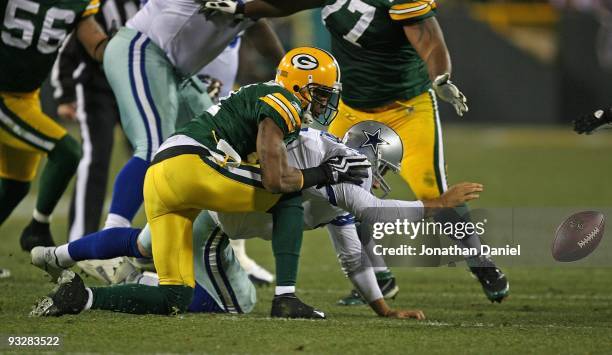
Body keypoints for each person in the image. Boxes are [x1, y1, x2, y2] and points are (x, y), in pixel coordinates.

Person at [202, 0, 509, 303]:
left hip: (407, 107)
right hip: (349, 107)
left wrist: (440, 75)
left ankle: (480, 261)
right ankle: (378, 276)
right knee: (340, 188)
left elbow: (428, 38)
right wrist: (245, 8)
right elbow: (288, 4)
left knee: (431, 190)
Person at [30, 46, 371, 319]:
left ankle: (73, 285)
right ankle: (286, 298)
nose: (325, 102)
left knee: (173, 294)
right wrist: (326, 174)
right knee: (286, 194)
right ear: (298, 85)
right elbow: (274, 179)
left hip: (165, 172)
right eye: (321, 93)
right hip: (195, 165)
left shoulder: (259, 96)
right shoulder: (284, 101)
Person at [31, 127, 482, 318]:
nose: (381, 180)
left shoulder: (335, 178)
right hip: (219, 221)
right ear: (368, 158)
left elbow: (352, 255)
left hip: (213, 204)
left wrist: (382, 309)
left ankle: (54, 254)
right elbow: (372, 211)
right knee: (228, 304)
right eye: (382, 170)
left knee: (145, 243)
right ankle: (118, 290)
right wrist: (436, 204)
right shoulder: (340, 176)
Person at [99, 0, 285, 232]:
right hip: (142, 48)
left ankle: (158, 244)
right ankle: (112, 236)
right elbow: (273, 8)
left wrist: (285, 71)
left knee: (209, 152)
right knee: (156, 147)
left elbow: (260, 21)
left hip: (178, 73)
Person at [0, 0, 108, 251]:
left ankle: (37, 228)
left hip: (26, 96)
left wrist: (126, 47)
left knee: (16, 186)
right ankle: (37, 230)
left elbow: (95, 43)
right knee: (67, 151)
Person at [51, 0, 140, 243]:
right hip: (95, 88)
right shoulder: (96, 5)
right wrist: (65, 94)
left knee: (152, 158)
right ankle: (80, 238)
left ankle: (149, 239)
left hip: (134, 88)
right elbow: (66, 45)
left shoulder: (146, 4)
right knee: (96, 157)